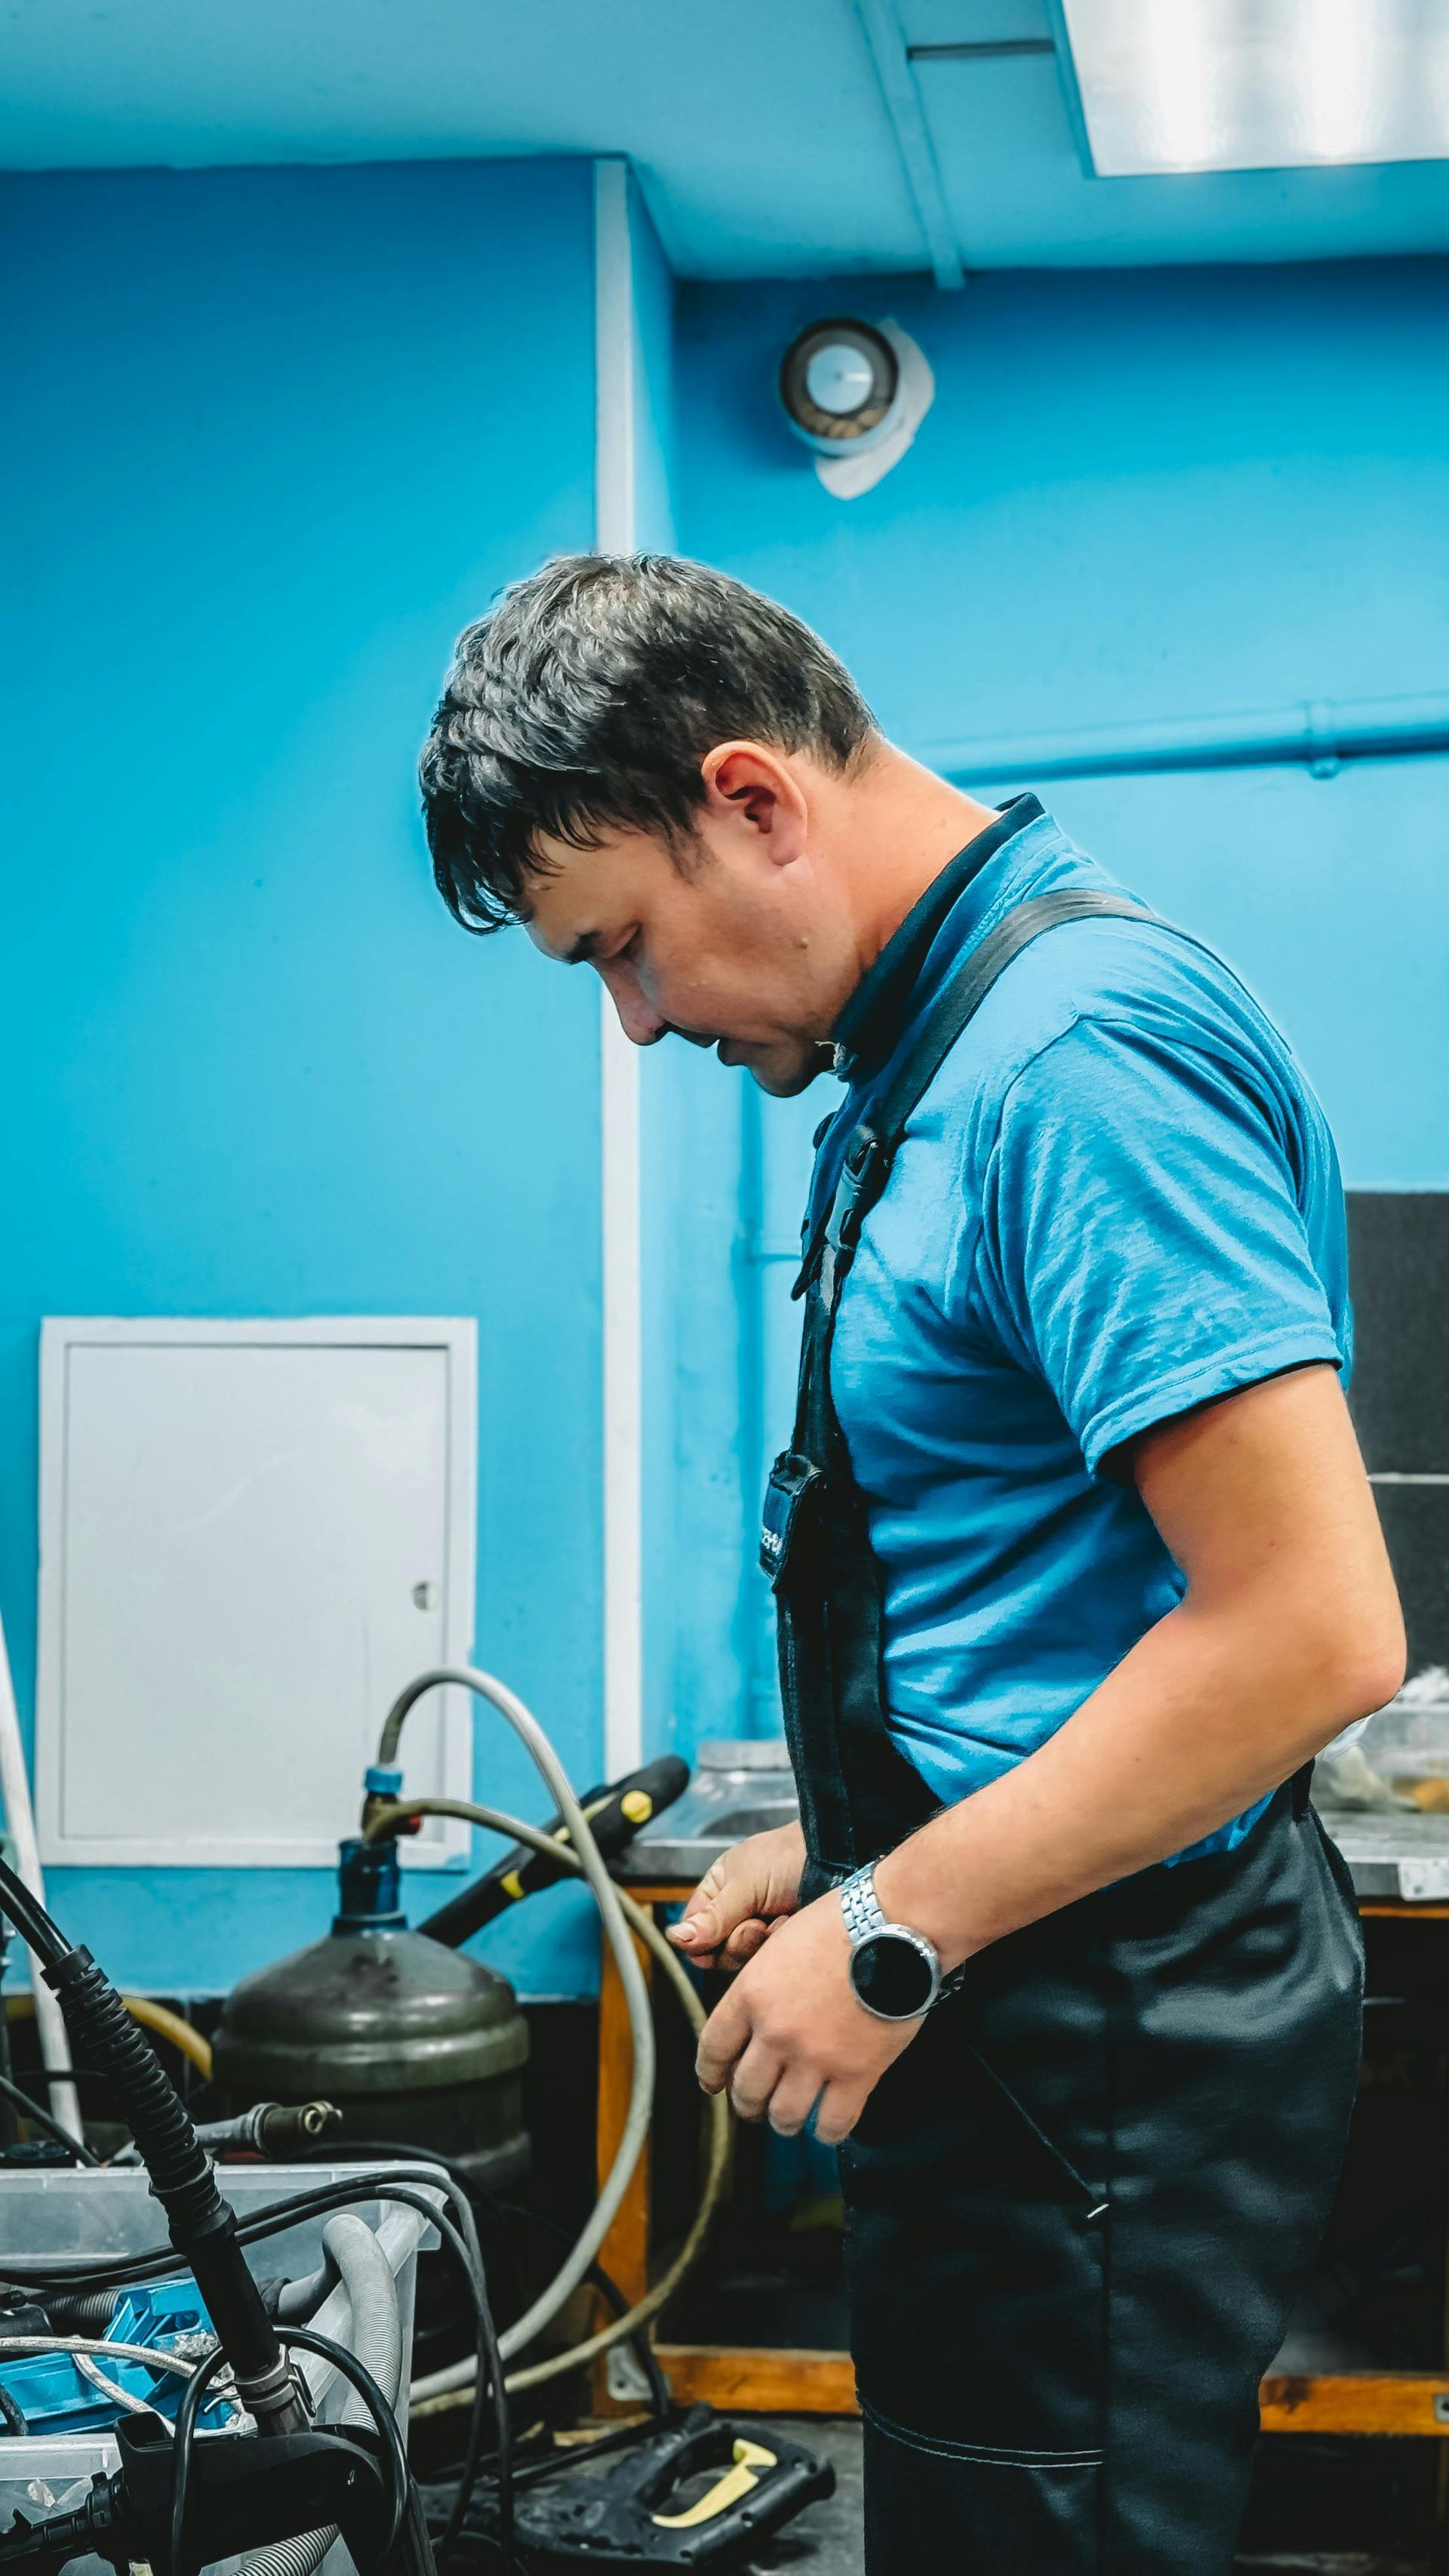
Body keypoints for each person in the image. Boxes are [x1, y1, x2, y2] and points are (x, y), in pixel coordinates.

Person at [420, 554, 1404, 2575]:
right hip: (1010, 1976)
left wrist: (896, 1921)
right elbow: (1043, 1567)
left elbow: (1315, 1626)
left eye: (624, 946)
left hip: (1097, 2032)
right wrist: (858, 1829)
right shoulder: (936, 1053)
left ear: (755, 802)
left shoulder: (1075, 1064)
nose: (633, 1023)